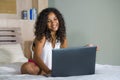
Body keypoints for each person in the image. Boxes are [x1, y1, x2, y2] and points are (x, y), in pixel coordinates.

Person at [21, 7, 67, 75]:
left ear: (59, 19)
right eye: (48, 21)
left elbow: (64, 55)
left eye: (55, 19)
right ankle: (44, 71)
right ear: (44, 23)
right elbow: (36, 57)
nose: (53, 23)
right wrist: (48, 71)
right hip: (39, 66)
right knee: (26, 67)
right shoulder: (42, 36)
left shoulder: (62, 37)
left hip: (54, 67)